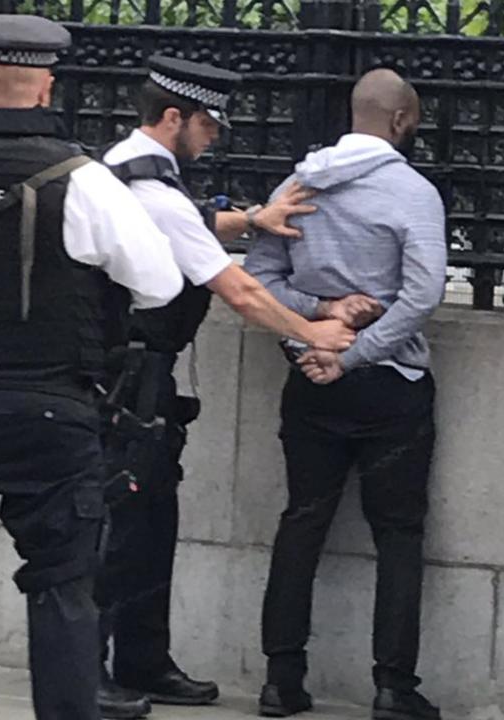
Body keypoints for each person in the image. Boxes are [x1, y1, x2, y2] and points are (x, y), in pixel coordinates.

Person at [0, 14, 185, 720]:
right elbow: (159, 283)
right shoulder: (86, 183)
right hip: (51, 413)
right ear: (46, 90)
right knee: (65, 588)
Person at [94, 56, 355, 719]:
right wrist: (312, 332)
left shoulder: (124, 167)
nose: (214, 137)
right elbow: (239, 291)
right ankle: (89, 670)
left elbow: (184, 226)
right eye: (209, 126)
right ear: (174, 118)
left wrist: (251, 220)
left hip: (134, 374)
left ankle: (143, 661)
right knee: (121, 525)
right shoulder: (153, 187)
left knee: (152, 519)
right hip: (129, 376)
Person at [244, 68, 446, 720]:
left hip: (310, 383)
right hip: (392, 385)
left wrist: (314, 326)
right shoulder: (413, 194)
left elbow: (259, 277)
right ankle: (393, 686)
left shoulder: (297, 185)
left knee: (302, 520)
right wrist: (353, 349)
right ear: (402, 121)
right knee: (399, 535)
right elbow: (422, 296)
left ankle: (281, 679)